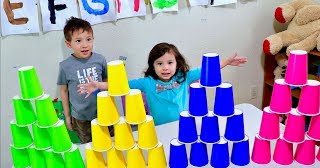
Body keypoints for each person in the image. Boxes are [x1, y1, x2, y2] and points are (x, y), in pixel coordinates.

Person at [78, 42, 248, 126]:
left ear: (177, 63)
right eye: (160, 64)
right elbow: (122, 85)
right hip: (159, 128)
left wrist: (226, 61)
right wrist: (99, 86)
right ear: (153, 66)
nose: (165, 68)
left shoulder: (184, 76)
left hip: (186, 124)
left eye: (169, 63)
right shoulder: (147, 82)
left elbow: (206, 69)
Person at [57, 17, 112, 144]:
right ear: (68, 44)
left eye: (88, 39)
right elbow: (64, 91)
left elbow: (108, 84)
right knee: (89, 147)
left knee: (109, 143)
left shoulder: (100, 60)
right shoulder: (65, 66)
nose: (85, 45)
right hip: (81, 117)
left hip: (104, 112)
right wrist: (67, 116)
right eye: (78, 41)